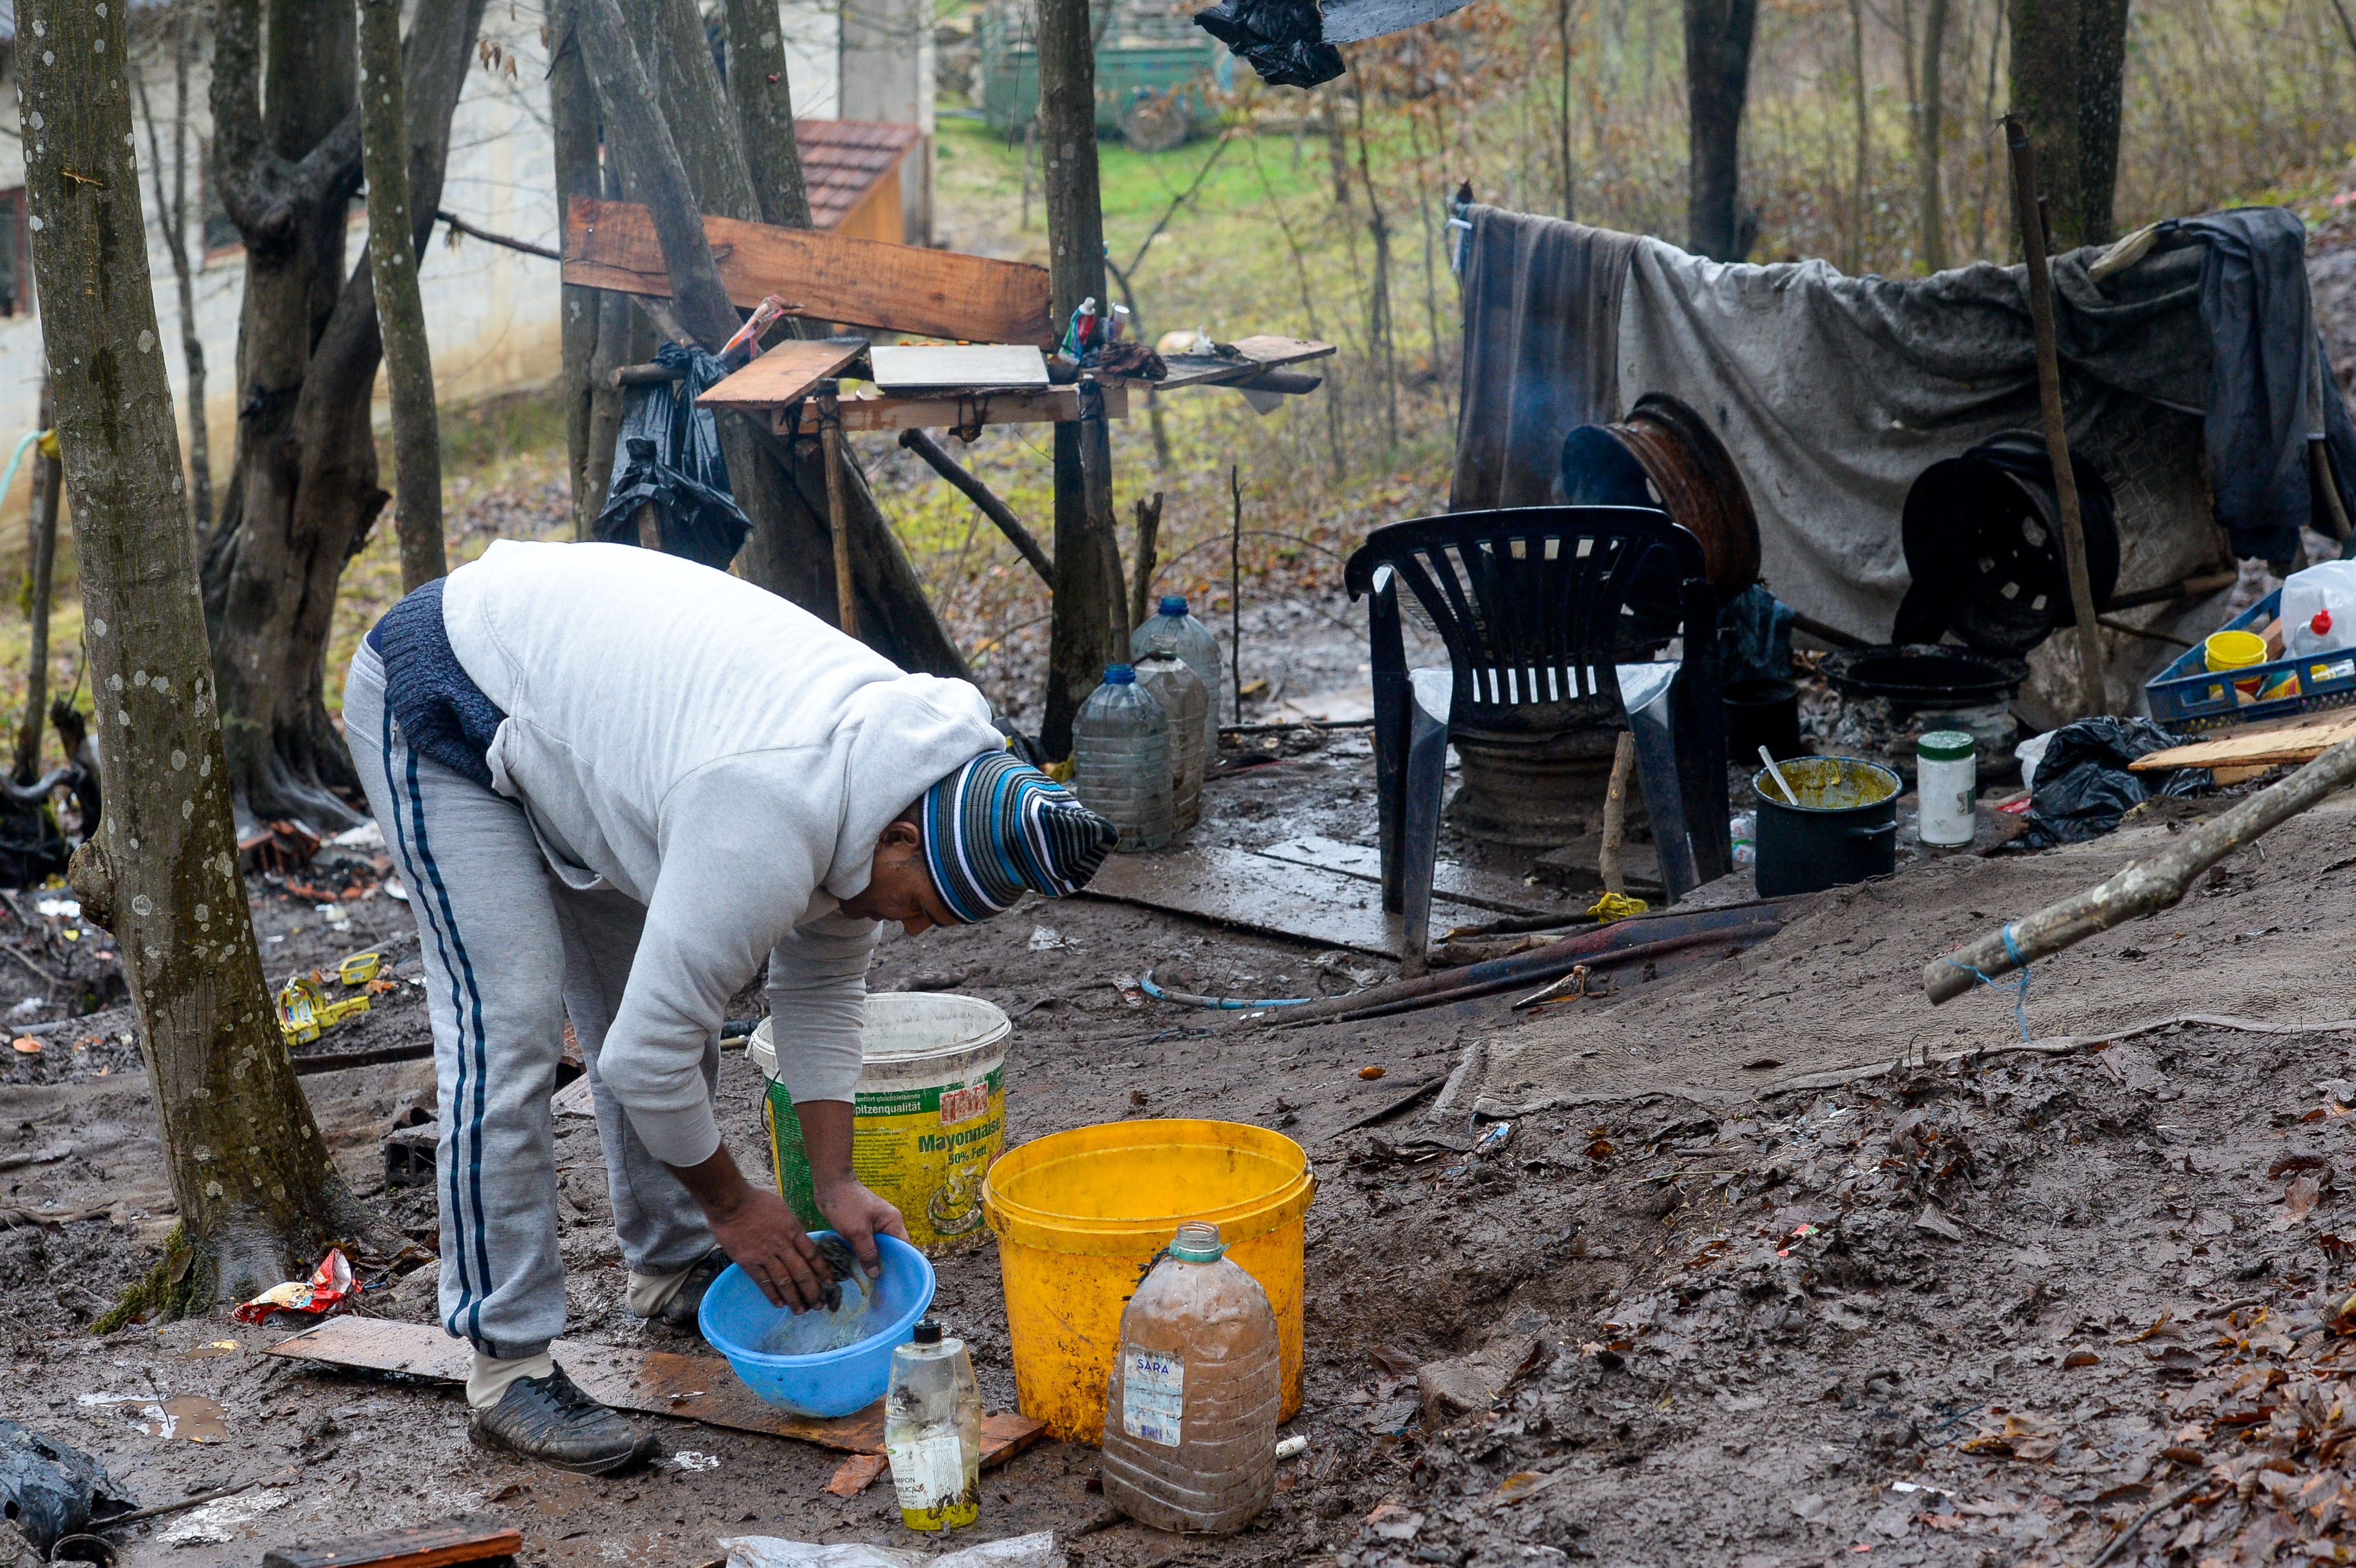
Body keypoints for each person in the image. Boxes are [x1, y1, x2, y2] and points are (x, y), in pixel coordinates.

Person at [345, 540, 1117, 1475]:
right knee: (507, 1027)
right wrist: (734, 1204)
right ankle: (507, 1369)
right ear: (904, 835)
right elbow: (643, 1061)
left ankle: (670, 1269)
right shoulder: (770, 805)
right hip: (448, 696)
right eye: (919, 906)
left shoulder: (894, 783)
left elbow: (823, 993)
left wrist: (833, 1183)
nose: (910, 932)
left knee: (662, 1006)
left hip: (590, 735)